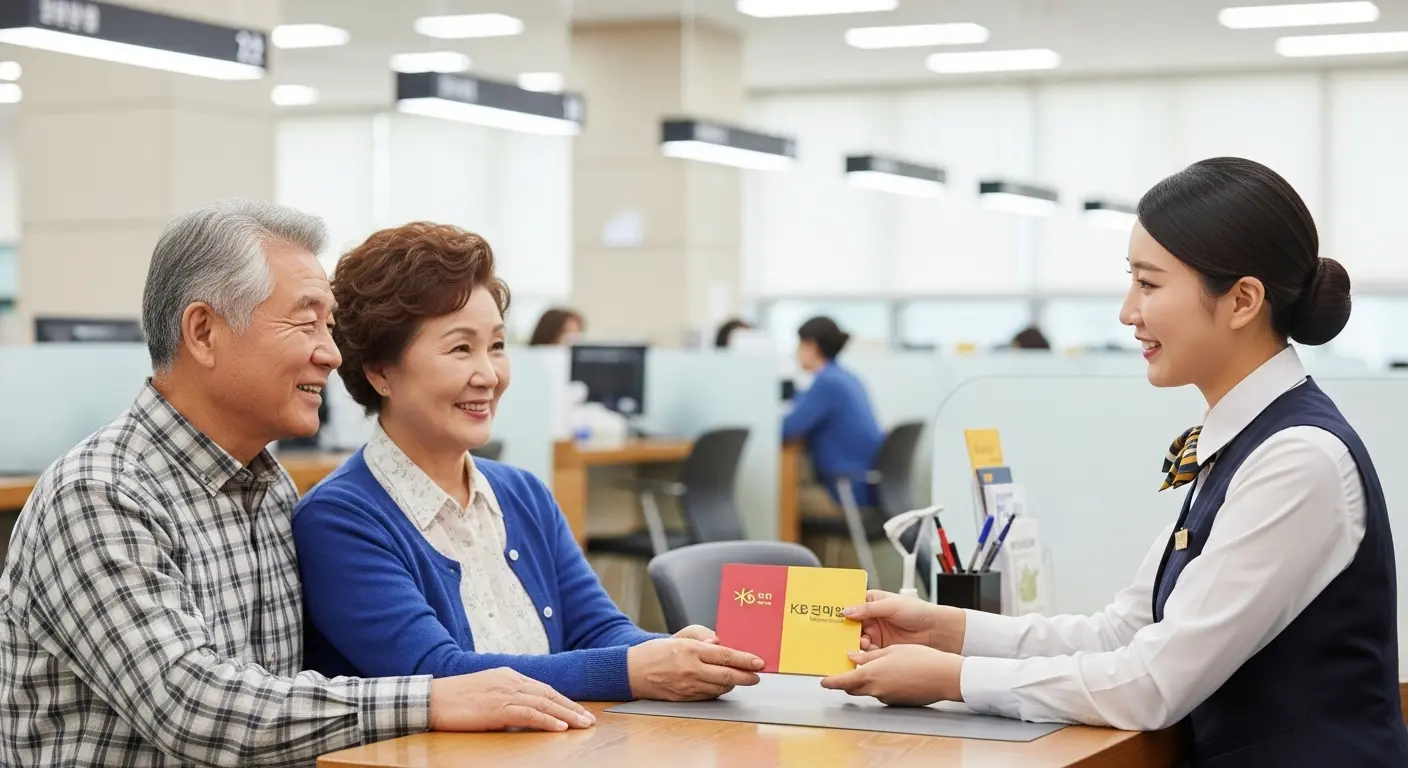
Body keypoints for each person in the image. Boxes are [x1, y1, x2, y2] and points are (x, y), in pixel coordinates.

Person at [821, 158, 1408, 766]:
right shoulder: (1246, 440)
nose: (1128, 312)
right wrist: (944, 629)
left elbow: (1151, 684)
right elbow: (1122, 632)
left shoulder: (1296, 459)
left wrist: (954, 679)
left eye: (1149, 285)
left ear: (1242, 300)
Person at [0, 201, 595, 767]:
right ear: (204, 332)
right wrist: (435, 697)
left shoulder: (270, 489)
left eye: (330, 327)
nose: (332, 355)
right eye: (306, 322)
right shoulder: (102, 495)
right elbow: (192, 705)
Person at [293, 222, 764, 703]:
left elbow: (598, 629)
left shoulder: (522, 493)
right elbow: (438, 675)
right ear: (380, 373)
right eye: (460, 348)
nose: (489, 375)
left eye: (497, 346)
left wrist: (680, 654)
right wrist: (633, 668)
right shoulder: (340, 519)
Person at [782, 316, 885, 507]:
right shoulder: (845, 377)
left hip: (846, 491)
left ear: (810, 346)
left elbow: (786, 429)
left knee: (784, 502)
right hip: (864, 485)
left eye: (798, 345)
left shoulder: (827, 383)